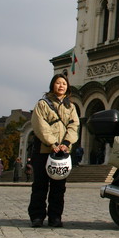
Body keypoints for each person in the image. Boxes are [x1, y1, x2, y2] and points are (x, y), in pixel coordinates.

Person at [27, 74, 80, 228]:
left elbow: (74, 125)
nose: (61, 86)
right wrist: (53, 143)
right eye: (58, 83)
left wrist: (65, 143)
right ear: (52, 85)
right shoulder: (42, 104)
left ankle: (55, 217)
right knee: (40, 185)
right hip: (44, 151)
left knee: (59, 188)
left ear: (67, 87)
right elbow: (39, 125)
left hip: (62, 153)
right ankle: (37, 216)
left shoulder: (71, 106)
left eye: (64, 83)